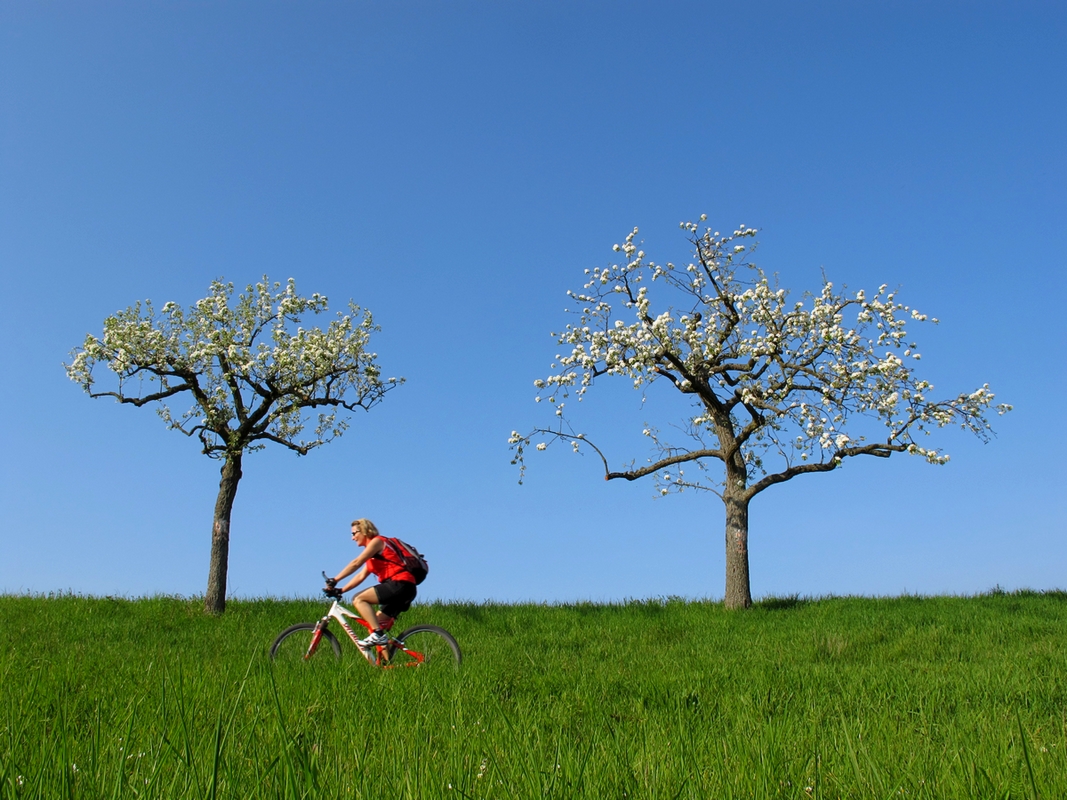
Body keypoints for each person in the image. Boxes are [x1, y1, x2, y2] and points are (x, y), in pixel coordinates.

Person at [329, 518, 418, 654]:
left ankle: (378, 635)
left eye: (354, 533)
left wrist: (335, 579)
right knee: (374, 623)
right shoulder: (373, 555)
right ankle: (386, 666)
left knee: (359, 599)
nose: (352, 538)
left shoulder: (377, 542)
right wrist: (341, 590)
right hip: (406, 588)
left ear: (364, 531)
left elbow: (356, 562)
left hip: (400, 584)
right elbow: (360, 576)